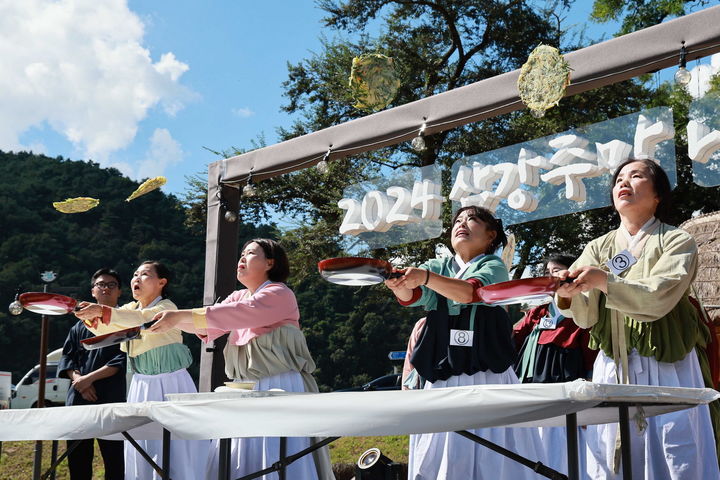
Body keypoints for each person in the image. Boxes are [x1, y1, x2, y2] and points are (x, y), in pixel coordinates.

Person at [555, 158, 720, 479]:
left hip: (667, 364)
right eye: (618, 179)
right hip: (614, 364)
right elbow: (586, 316)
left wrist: (603, 281)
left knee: (675, 449)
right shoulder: (597, 246)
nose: (623, 183)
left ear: (658, 194)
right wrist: (567, 291)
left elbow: (661, 295)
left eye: (636, 176)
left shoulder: (676, 240)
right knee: (610, 453)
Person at [149, 238, 334, 480]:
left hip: (279, 386)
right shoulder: (238, 297)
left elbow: (235, 315)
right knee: (243, 458)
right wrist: (169, 321)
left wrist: (177, 317)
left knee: (277, 455)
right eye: (241, 254)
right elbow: (210, 326)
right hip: (245, 390)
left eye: (250, 253)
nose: (242, 258)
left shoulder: (279, 293)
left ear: (270, 262)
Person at [385, 205, 546, 480]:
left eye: (472, 219)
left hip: (488, 376)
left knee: (495, 456)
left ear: (491, 235)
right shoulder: (438, 266)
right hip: (443, 374)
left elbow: (469, 292)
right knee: (440, 456)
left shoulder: (494, 266)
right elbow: (415, 295)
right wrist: (399, 284)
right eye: (458, 220)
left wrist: (423, 278)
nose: (462, 224)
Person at [75, 260, 208, 480]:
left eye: (145, 274)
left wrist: (102, 311)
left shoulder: (167, 308)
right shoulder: (129, 309)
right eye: (135, 274)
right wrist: (89, 314)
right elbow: (112, 321)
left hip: (171, 383)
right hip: (140, 384)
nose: (137, 278)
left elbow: (141, 319)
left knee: (174, 447)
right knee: (141, 445)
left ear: (161, 282)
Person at [512, 254, 597, 479]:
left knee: (561, 452)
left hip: (564, 396)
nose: (551, 275)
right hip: (531, 394)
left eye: (557, 270)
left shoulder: (582, 313)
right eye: (547, 271)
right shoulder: (537, 312)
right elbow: (514, 338)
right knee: (532, 450)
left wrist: (589, 390)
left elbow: (590, 354)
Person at [58, 268, 126, 480]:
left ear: (120, 292)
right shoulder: (79, 326)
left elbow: (122, 359)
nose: (105, 288)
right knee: (77, 459)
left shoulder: (125, 322)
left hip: (111, 398)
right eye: (100, 284)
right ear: (92, 291)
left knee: (114, 459)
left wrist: (89, 379)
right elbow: (68, 358)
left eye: (111, 284)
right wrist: (79, 380)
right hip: (79, 397)